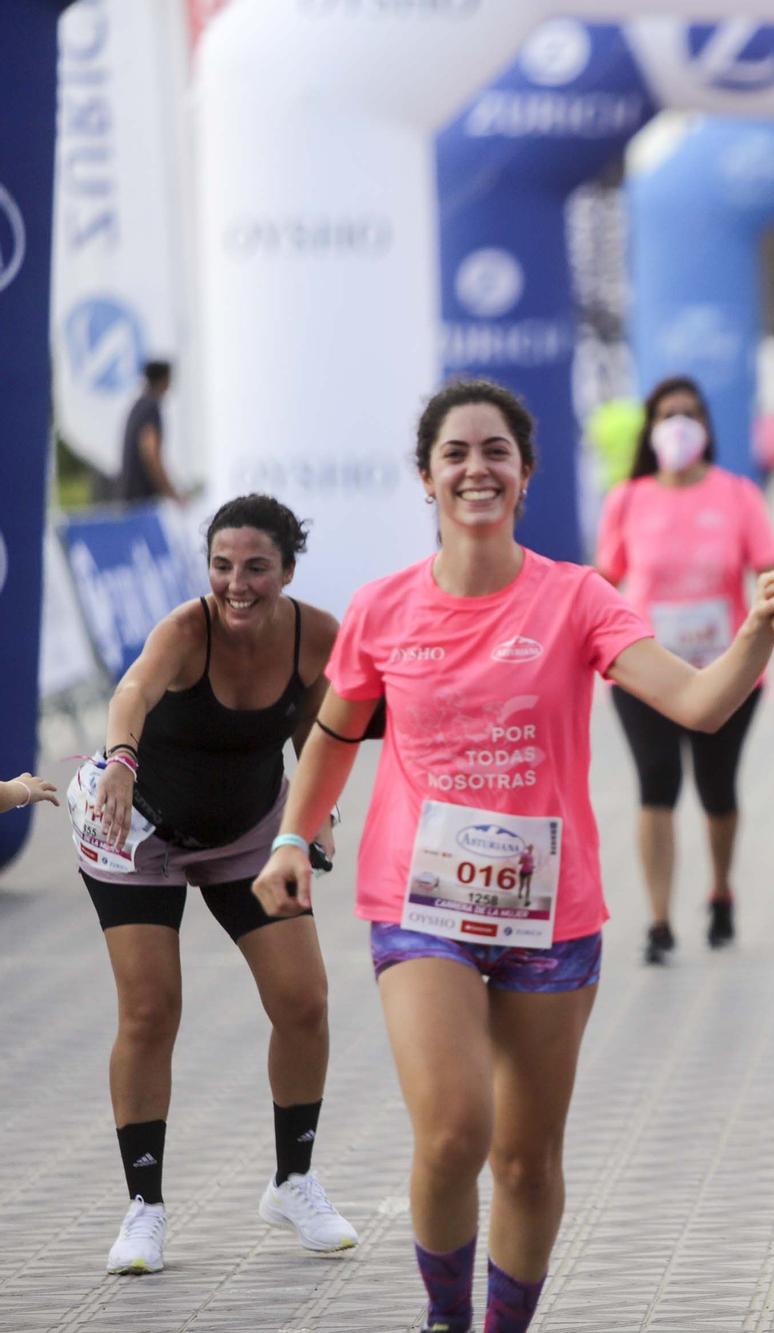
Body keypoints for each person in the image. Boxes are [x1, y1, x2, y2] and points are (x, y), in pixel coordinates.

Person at [247, 379, 774, 1333]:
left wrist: (756, 633)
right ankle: (445, 1320)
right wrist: (294, 834)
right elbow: (334, 733)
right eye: (455, 453)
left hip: (551, 912)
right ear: (426, 476)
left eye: (496, 451)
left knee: (528, 1158)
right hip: (419, 906)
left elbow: (700, 704)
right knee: (457, 1129)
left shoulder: (579, 597)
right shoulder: (381, 608)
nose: (476, 469)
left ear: (526, 475)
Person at [70, 493, 354, 1275]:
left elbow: (316, 724)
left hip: (248, 836)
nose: (237, 582)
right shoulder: (186, 629)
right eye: (223, 565)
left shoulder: (315, 634)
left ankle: (293, 1180)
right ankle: (144, 1207)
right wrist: (122, 759)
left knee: (305, 1000)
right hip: (138, 833)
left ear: (287, 571)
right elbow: (131, 692)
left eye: (256, 567)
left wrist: (315, 808)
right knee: (153, 1008)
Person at [597, 374, 774, 961]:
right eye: (667, 414)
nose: (679, 424)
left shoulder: (738, 494)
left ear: (706, 426)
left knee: (716, 789)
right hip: (646, 669)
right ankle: (658, 920)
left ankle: (722, 891)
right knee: (656, 785)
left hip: (726, 670)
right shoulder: (627, 498)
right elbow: (605, 580)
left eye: (690, 414)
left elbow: (770, 571)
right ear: (651, 429)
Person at [115, 360, 183, 504]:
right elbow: (150, 454)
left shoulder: (139, 405)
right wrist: (171, 492)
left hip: (131, 495)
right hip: (141, 499)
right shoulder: (151, 407)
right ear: (164, 380)